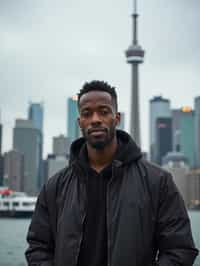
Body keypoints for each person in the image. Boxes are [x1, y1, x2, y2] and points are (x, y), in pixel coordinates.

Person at [25, 80, 198, 266]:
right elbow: (38, 248)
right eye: (87, 113)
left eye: (104, 111)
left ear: (117, 118)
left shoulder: (158, 182)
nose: (95, 119)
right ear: (80, 122)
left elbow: (179, 249)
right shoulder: (55, 187)